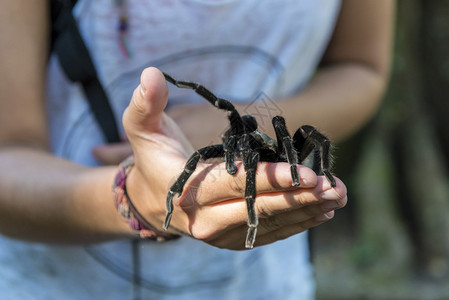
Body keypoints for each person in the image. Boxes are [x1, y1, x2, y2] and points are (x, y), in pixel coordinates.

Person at [0, 0, 393, 299]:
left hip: (267, 283)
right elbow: (8, 152)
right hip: (54, 282)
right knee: (210, 153)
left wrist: (297, 162)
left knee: (304, 134)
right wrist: (140, 198)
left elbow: (361, 66)